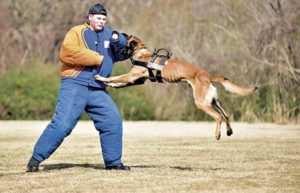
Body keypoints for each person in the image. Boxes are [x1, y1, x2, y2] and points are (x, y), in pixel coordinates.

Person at [27, 3, 130, 172]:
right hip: (75, 84)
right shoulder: (77, 32)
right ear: (89, 17)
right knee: (63, 125)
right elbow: (66, 53)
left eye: (104, 19)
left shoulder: (108, 34)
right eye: (98, 18)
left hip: (97, 88)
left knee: (112, 121)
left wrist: (121, 41)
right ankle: (35, 159)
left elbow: (120, 52)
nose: (101, 21)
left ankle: (113, 163)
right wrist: (96, 58)